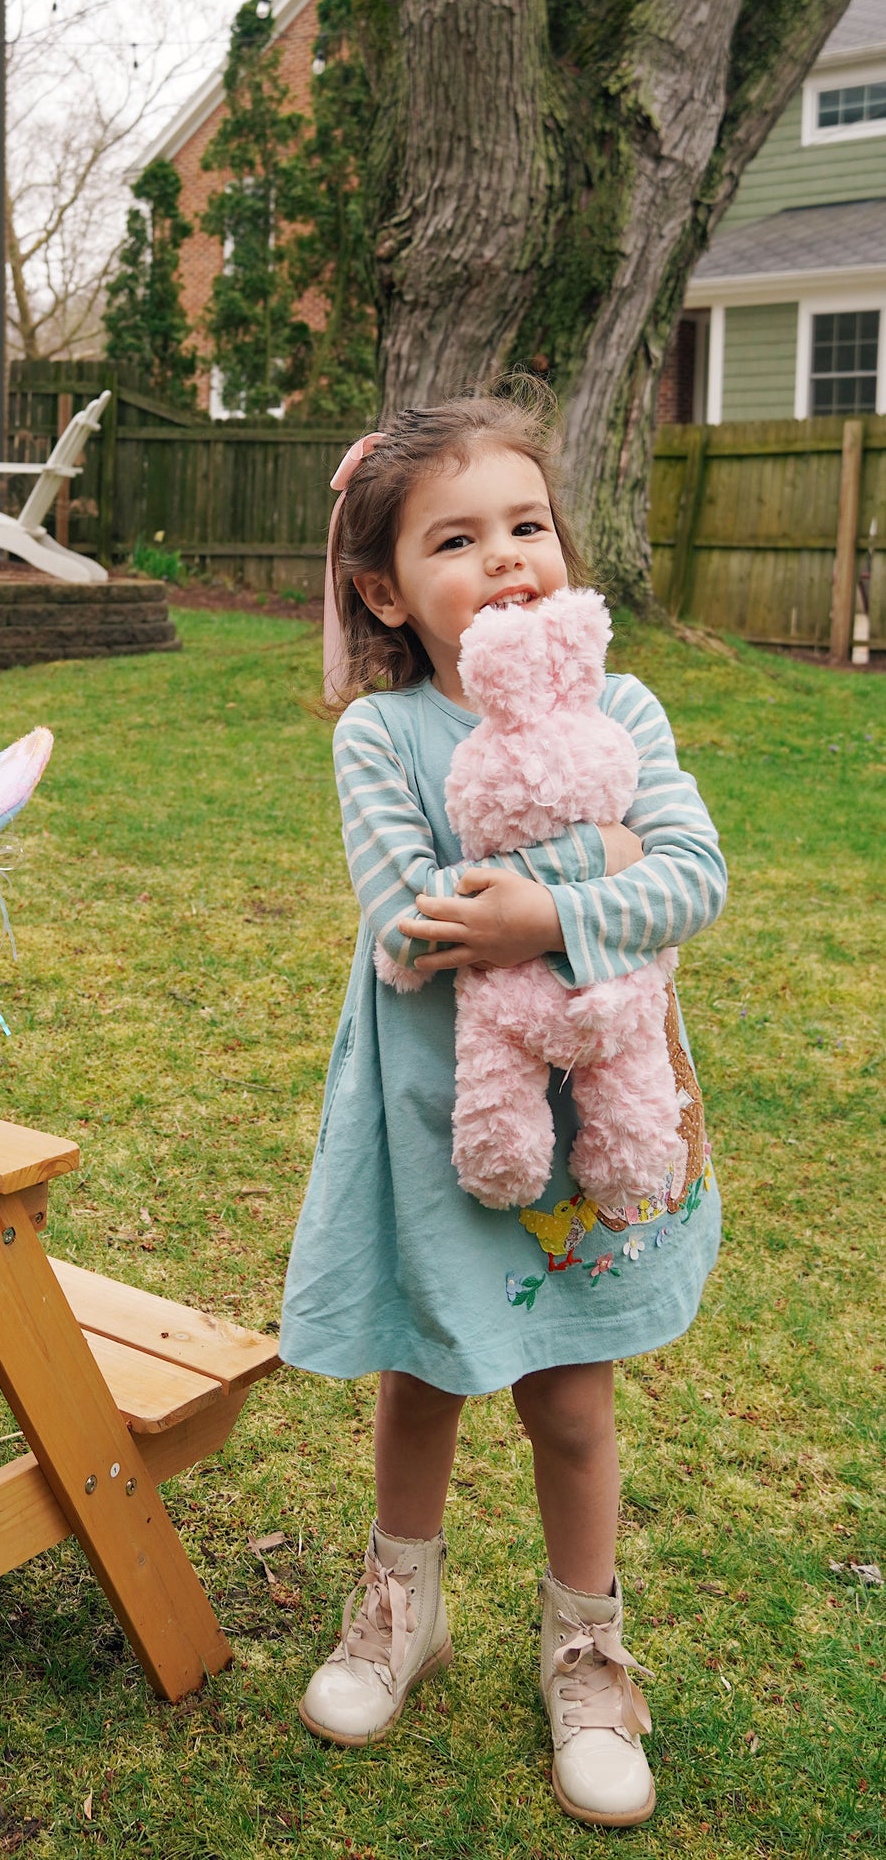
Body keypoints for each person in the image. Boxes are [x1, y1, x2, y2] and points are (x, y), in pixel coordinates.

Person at [279, 389, 725, 1828]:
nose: (507, 559)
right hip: (435, 1125)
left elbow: (695, 878)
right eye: (456, 540)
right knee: (421, 1376)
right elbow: (405, 928)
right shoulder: (380, 736)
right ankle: (400, 1605)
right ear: (385, 592)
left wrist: (548, 894)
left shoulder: (626, 710)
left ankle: (586, 1652)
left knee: (571, 1399)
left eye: (525, 525)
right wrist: (592, 859)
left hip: (593, 1123)